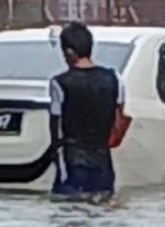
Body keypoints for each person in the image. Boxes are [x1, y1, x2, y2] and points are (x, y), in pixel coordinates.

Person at [49, 21, 125, 197]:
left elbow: (56, 127)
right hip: (103, 160)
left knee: (69, 209)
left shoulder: (59, 83)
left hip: (73, 159)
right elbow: (119, 122)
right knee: (103, 208)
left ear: (69, 52)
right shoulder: (114, 78)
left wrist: (54, 155)